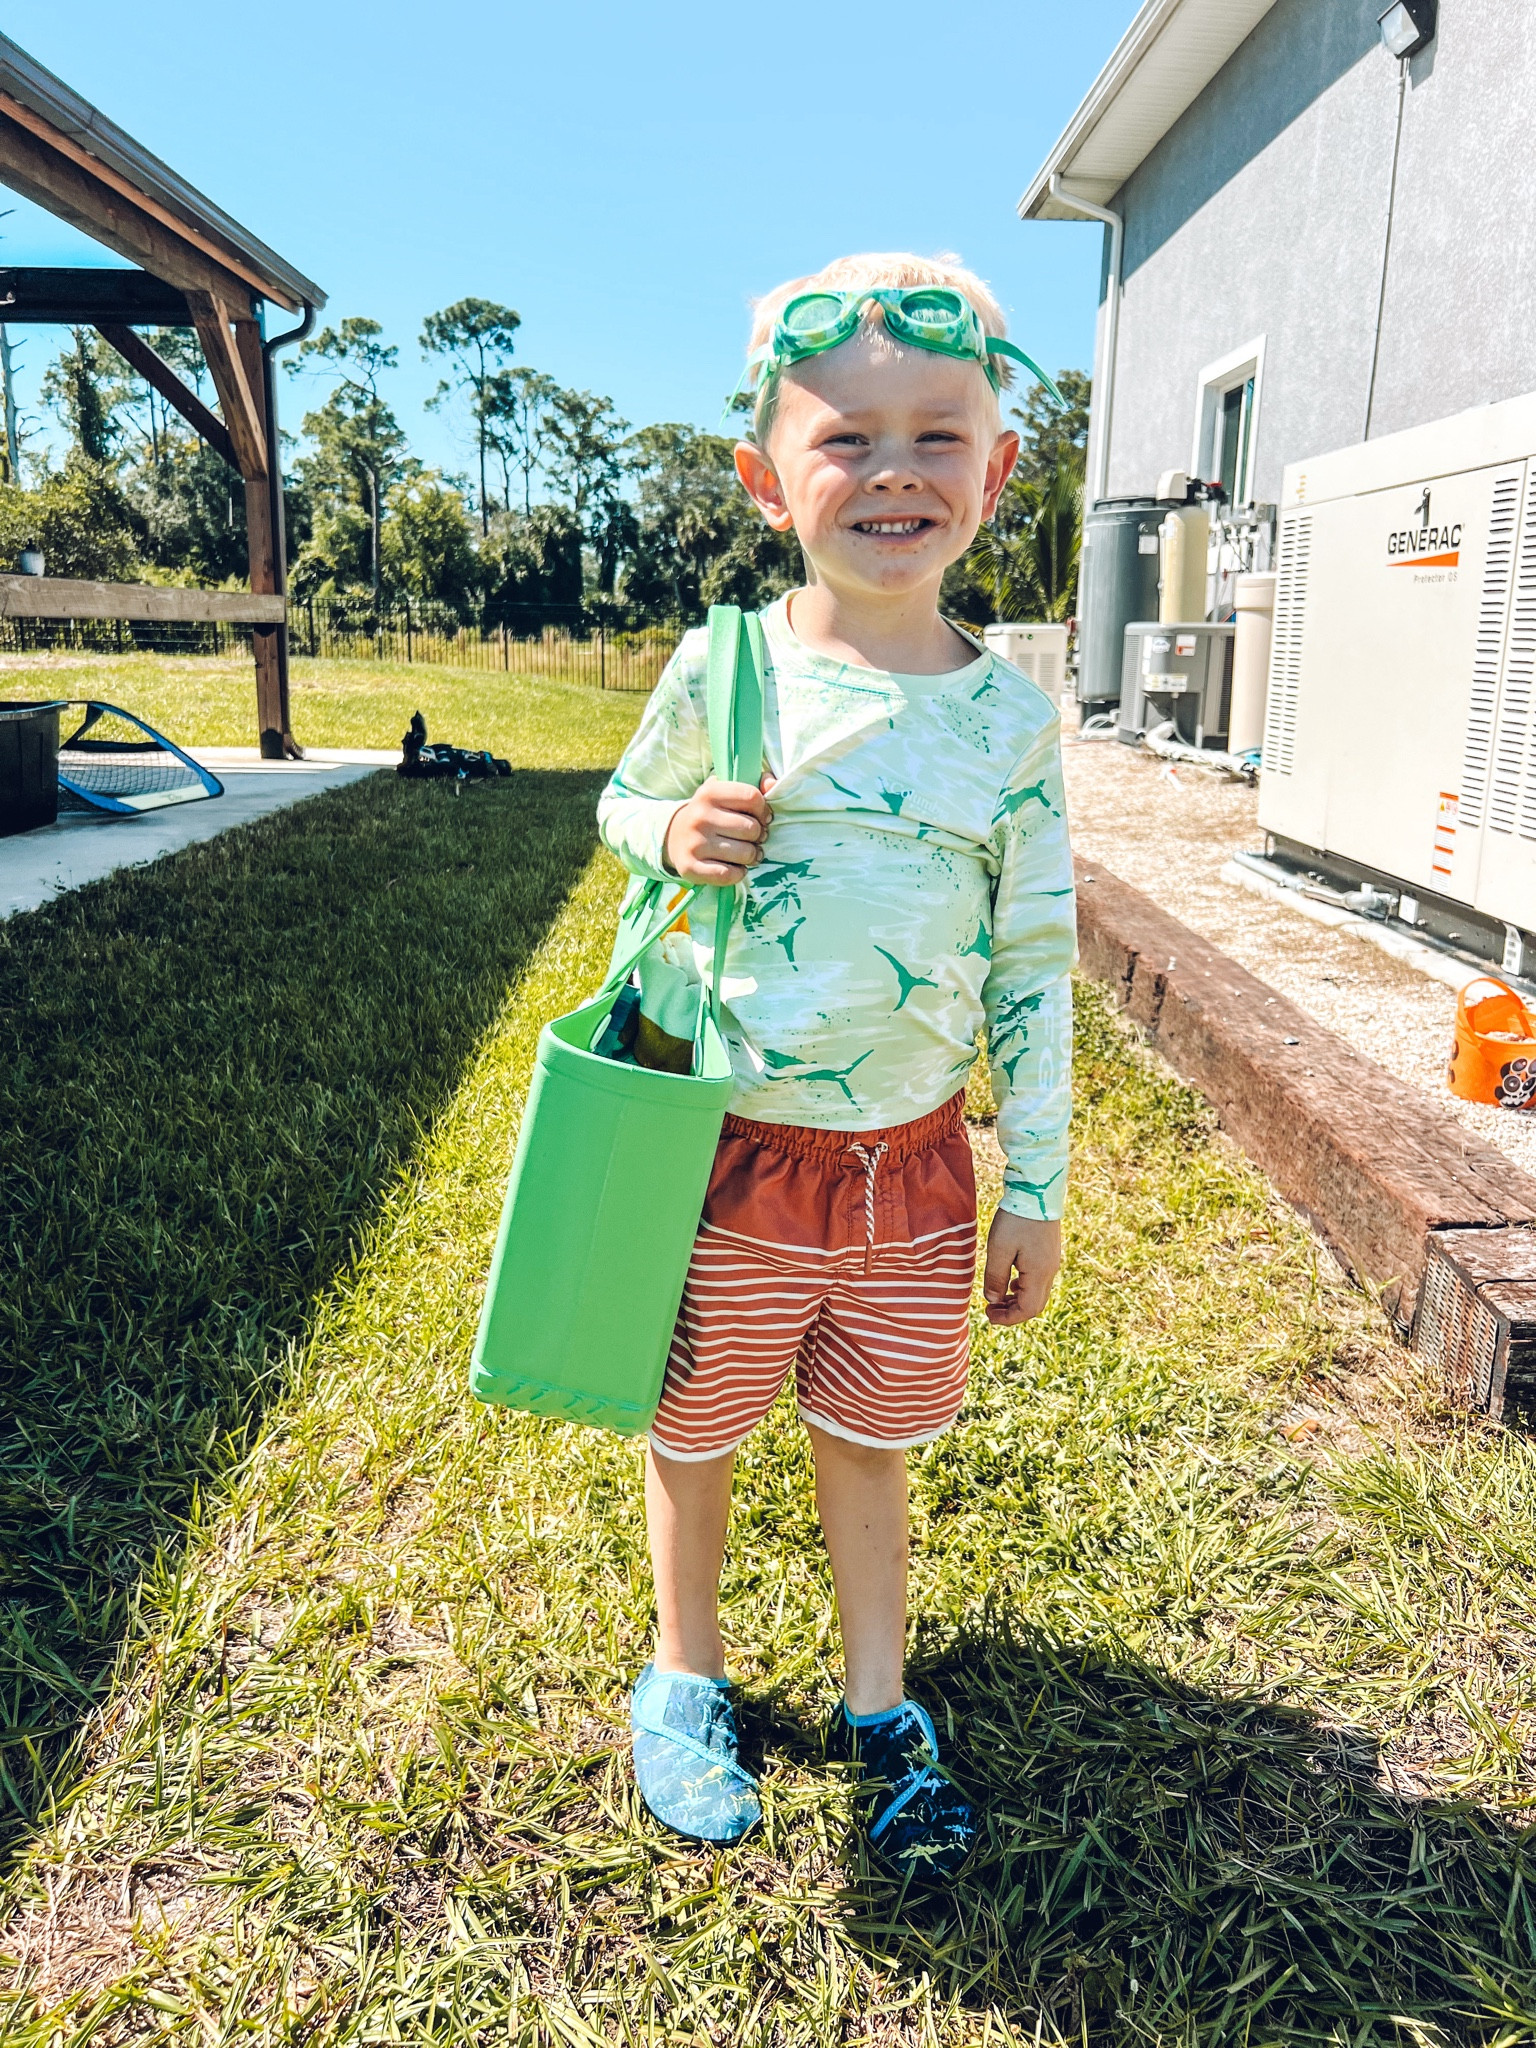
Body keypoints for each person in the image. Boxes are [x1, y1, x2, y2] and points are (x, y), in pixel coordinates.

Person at [596, 252, 1075, 1875]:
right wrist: (670, 826)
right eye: (845, 438)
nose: (894, 472)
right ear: (764, 479)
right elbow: (620, 806)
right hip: (733, 1154)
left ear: (997, 472)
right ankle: (687, 1671)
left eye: (938, 435)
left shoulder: (1010, 726)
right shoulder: (727, 665)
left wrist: (1034, 1186)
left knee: (872, 1435)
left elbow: (1033, 962)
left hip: (914, 1173)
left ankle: (881, 1703)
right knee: (698, 1426)